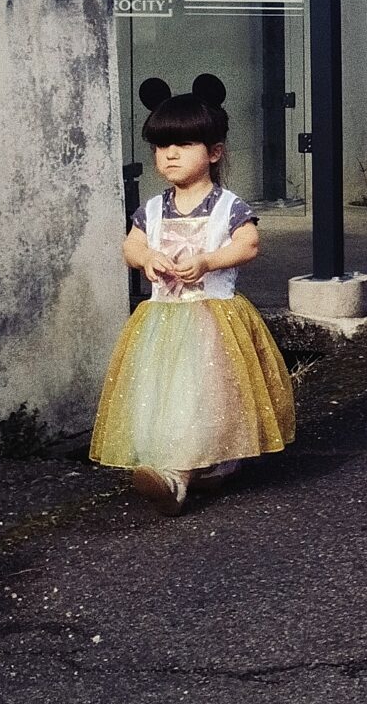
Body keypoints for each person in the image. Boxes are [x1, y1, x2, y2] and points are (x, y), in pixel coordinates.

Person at [94, 75, 296, 515]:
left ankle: (178, 478)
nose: (170, 154)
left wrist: (208, 261)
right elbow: (130, 246)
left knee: (207, 396)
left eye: (184, 144)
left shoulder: (229, 206)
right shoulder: (152, 209)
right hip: (162, 320)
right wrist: (146, 257)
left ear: (214, 152)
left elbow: (248, 244)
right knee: (166, 397)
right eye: (161, 146)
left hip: (214, 320)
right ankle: (197, 468)